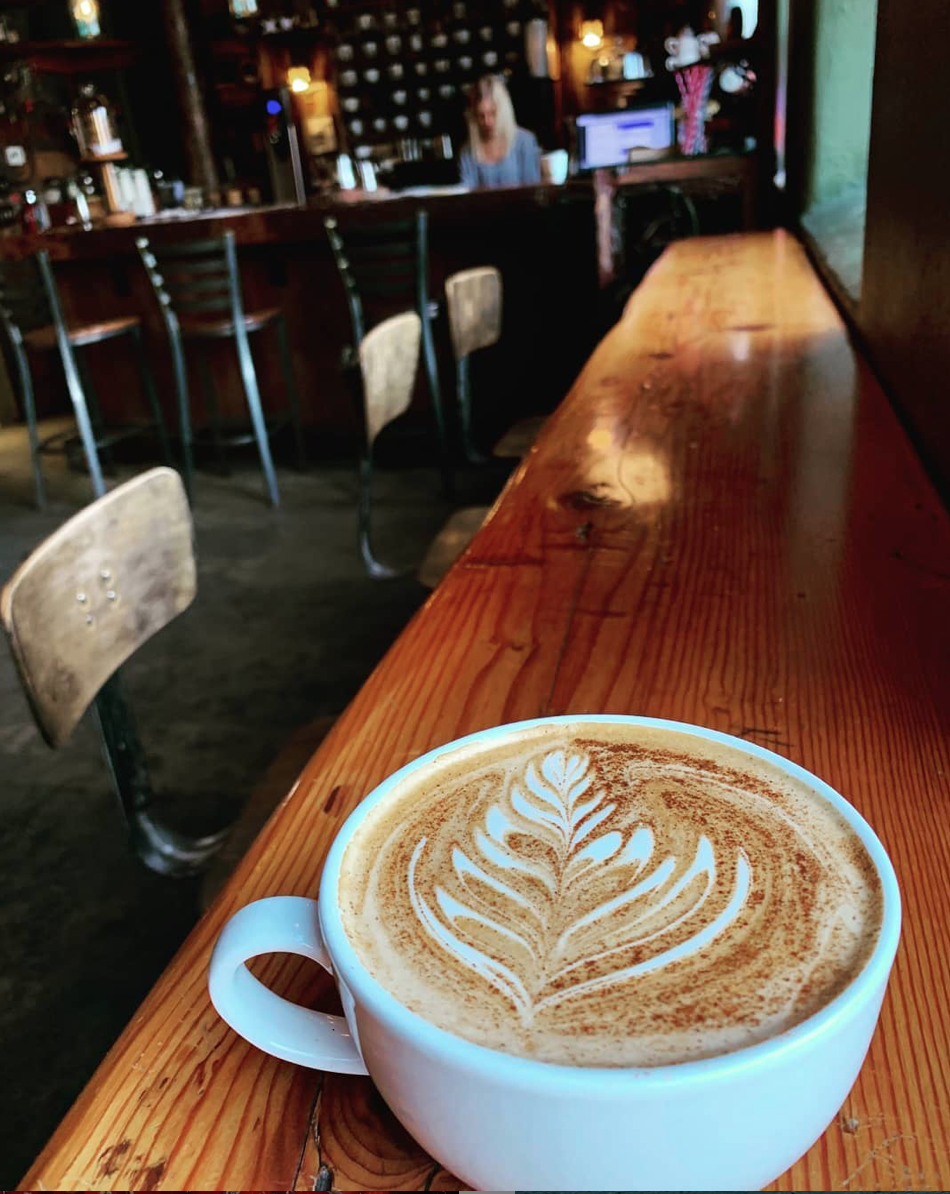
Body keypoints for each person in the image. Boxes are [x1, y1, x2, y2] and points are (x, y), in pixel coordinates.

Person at [458, 75, 542, 189]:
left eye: (493, 113)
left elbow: (533, 191)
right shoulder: (467, 151)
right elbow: (467, 197)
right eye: (480, 116)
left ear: (504, 111)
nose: (487, 121)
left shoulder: (525, 141)